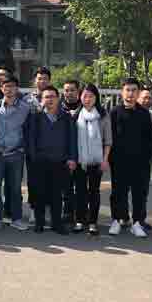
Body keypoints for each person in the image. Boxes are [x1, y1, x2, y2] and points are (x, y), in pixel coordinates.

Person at [26, 86, 76, 235]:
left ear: (58, 98)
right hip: (40, 161)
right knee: (39, 193)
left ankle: (57, 223)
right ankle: (39, 223)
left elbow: (72, 138)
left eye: (52, 97)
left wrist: (72, 157)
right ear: (42, 100)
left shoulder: (66, 117)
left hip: (59, 161)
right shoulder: (36, 117)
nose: (50, 100)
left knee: (56, 194)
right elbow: (31, 139)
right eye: (46, 97)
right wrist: (33, 157)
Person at [108, 79, 152, 238]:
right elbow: (109, 138)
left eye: (134, 90)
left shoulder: (144, 113)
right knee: (118, 192)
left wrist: (147, 158)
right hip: (119, 161)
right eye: (127, 90)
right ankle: (117, 219)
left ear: (138, 93)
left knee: (139, 193)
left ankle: (137, 223)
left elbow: (149, 139)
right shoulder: (114, 112)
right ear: (122, 92)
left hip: (140, 162)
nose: (130, 93)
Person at [0, 77, 30, 231]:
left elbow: (29, 130)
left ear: (17, 89)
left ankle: (16, 218)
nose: (9, 89)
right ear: (1, 88)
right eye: (6, 86)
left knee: (15, 188)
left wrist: (23, 147)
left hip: (16, 154)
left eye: (12, 86)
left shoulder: (25, 108)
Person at [73, 84, 112, 236]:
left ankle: (92, 222)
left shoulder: (103, 115)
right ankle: (79, 220)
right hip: (79, 160)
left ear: (96, 98)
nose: (87, 99)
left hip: (97, 160)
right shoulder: (76, 115)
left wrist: (105, 160)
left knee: (94, 192)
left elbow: (108, 140)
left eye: (91, 96)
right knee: (80, 191)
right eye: (85, 96)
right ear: (80, 97)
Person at [23, 67, 52, 225]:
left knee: (48, 180)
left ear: (49, 81)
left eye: (45, 78)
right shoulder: (27, 99)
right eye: (39, 78)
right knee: (33, 180)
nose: (42, 81)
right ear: (35, 80)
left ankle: (46, 209)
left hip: (50, 147)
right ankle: (34, 209)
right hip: (32, 147)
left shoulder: (54, 97)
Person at [60, 80, 82, 225]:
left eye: (72, 90)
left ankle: (80, 214)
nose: (69, 93)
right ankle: (67, 213)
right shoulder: (59, 109)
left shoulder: (85, 108)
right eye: (66, 90)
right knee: (66, 186)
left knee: (80, 186)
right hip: (63, 153)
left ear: (78, 91)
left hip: (82, 153)